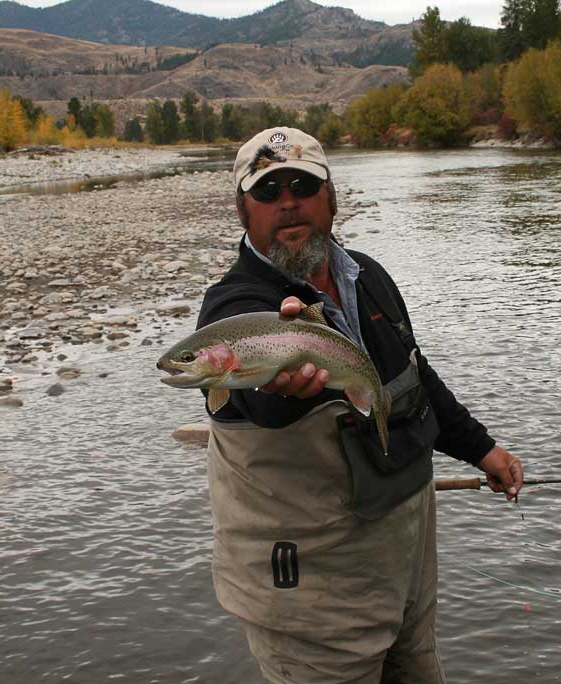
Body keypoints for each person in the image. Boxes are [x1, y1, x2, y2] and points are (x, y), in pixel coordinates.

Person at [197, 126, 524, 683]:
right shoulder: (235, 310)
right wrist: (275, 387)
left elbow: (415, 379)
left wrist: (483, 450)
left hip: (406, 556)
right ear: (242, 210)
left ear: (331, 196)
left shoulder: (367, 275)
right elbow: (254, 407)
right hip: (312, 588)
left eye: (302, 184)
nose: (288, 202)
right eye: (268, 191)